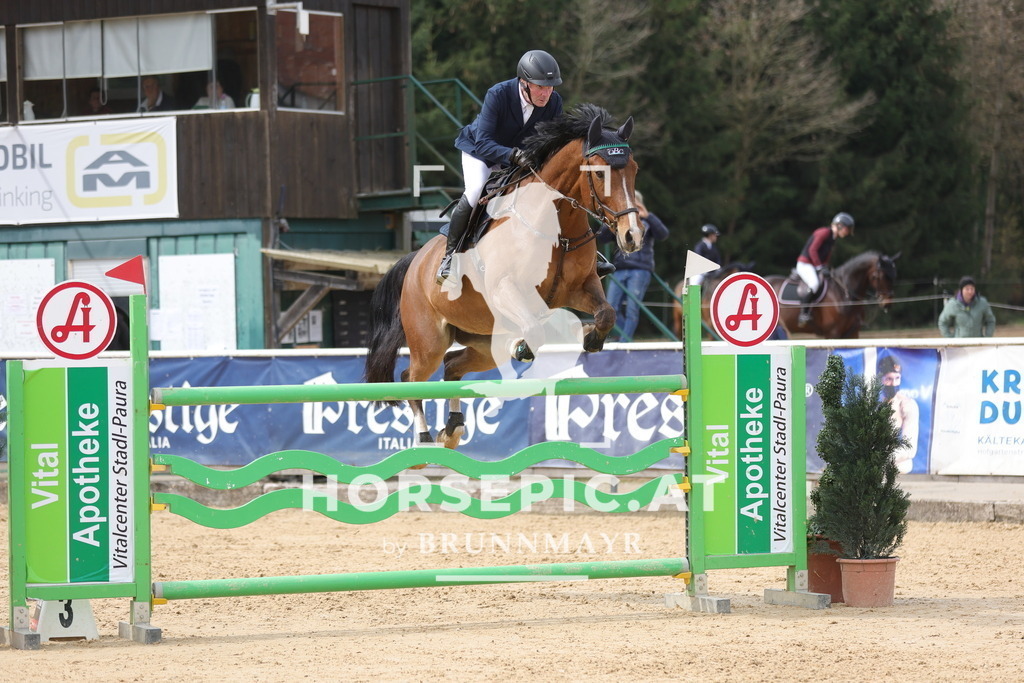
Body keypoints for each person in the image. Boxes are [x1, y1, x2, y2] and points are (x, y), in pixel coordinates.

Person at [436, 50, 565, 285]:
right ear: (524, 83)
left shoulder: (554, 102)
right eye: (540, 87)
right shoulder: (498, 94)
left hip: (519, 157)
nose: (546, 93)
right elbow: (483, 142)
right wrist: (513, 155)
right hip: (480, 153)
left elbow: (551, 140)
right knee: (475, 191)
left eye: (550, 87)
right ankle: (450, 257)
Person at [599, 191, 669, 342]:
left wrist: (648, 216)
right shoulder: (621, 220)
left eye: (634, 202)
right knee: (611, 307)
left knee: (632, 308)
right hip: (620, 268)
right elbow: (602, 238)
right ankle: (621, 337)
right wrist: (612, 219)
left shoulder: (647, 220)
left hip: (640, 269)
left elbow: (663, 234)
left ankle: (624, 342)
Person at [796, 212, 854, 326]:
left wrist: (825, 267)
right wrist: (820, 267)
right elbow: (813, 250)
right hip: (805, 264)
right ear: (839, 225)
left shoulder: (832, 238)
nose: (847, 232)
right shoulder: (824, 232)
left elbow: (825, 255)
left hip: (814, 265)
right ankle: (804, 313)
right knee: (814, 284)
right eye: (847, 229)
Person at [878, 353, 919, 474]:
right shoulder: (871, 404)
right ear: (881, 379)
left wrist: (883, 459)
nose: (893, 384)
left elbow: (909, 448)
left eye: (897, 378)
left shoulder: (907, 405)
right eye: (889, 379)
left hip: (898, 465)